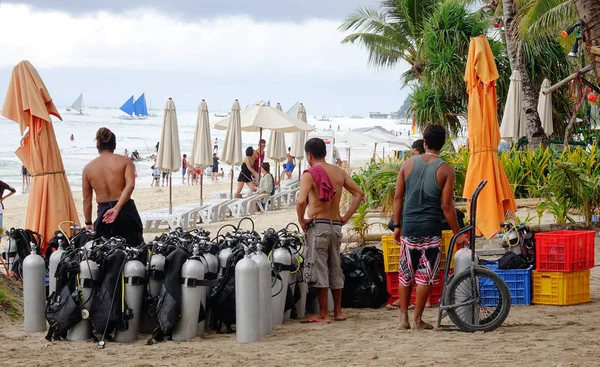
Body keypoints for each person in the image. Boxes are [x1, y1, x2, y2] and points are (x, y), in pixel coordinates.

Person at [392, 124, 467, 330]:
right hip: (431, 229)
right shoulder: (446, 169)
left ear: (424, 142)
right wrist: (457, 233)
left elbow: (398, 197)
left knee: (406, 272)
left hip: (409, 227)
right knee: (424, 275)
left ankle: (403, 319)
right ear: (442, 145)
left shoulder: (407, 165)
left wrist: (397, 225)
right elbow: (447, 206)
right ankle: (417, 320)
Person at [297, 138, 364, 323]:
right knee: (335, 267)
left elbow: (301, 201)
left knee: (319, 267)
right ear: (325, 153)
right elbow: (359, 194)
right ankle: (338, 312)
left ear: (308, 155)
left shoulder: (309, 174)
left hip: (319, 226)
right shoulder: (339, 172)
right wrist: (346, 216)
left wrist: (301, 219)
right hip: (336, 225)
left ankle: (324, 314)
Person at [82, 128, 143, 247]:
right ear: (114, 145)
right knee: (135, 252)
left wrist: (88, 223)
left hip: (104, 216)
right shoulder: (125, 162)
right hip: (126, 212)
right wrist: (117, 208)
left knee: (107, 256)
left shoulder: (88, 169)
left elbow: (86, 200)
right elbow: (130, 185)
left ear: (97, 144)